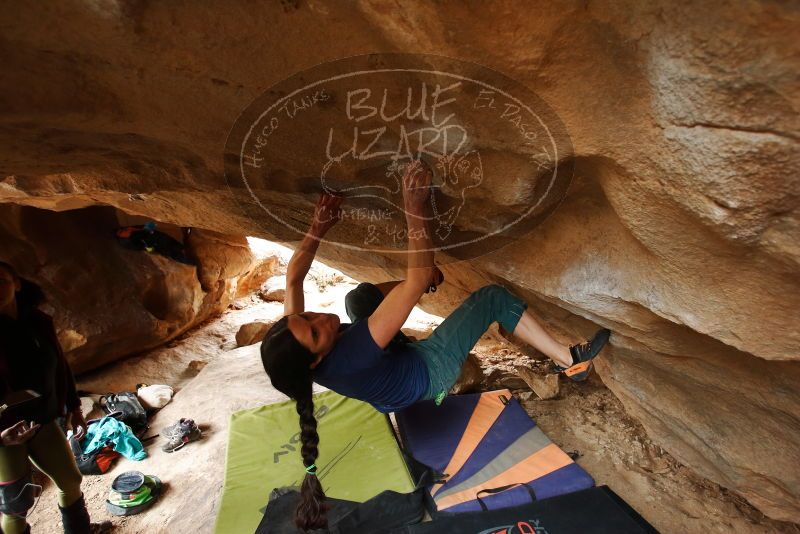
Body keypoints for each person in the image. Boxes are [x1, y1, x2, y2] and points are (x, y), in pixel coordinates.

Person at [260, 161, 610, 530]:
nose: (321, 320)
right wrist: (415, 206)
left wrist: (319, 225)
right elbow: (412, 278)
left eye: (308, 317)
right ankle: (569, 360)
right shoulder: (352, 355)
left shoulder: (301, 350)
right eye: (316, 333)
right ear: (315, 361)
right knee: (491, 297)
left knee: (358, 298)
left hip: (387, 372)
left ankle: (425, 286)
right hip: (426, 376)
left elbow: (294, 276)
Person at [0, 262, 112, 534]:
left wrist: (74, 407)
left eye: (0, 279)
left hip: (42, 420)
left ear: (16, 283)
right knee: (16, 505)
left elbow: (60, 367)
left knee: (69, 480)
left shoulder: (38, 322)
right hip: (4, 435)